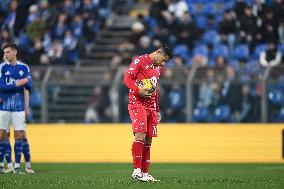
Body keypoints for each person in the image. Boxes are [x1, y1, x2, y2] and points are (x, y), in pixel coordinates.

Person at [124, 44, 173, 182]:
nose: (163, 63)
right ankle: (136, 171)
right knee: (140, 134)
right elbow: (127, 79)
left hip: (151, 107)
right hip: (137, 103)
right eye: (163, 59)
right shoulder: (139, 61)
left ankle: (145, 173)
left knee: (149, 138)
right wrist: (138, 90)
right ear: (158, 52)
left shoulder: (156, 69)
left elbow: (155, 90)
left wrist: (157, 110)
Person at [0, 43, 32, 174]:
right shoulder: (1, 67)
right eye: (5, 52)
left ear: (14, 52)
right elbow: (2, 87)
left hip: (18, 107)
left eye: (8, 52)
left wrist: (26, 106)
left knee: (20, 135)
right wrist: (17, 83)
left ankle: (18, 166)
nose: (6, 55)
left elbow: (28, 85)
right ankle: (3, 165)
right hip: (4, 106)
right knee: (2, 135)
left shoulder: (24, 67)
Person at [4, 88, 34, 174]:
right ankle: (9, 165)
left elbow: (26, 90)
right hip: (5, 109)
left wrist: (26, 106)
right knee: (4, 136)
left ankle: (27, 165)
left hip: (18, 108)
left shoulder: (22, 75)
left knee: (22, 135)